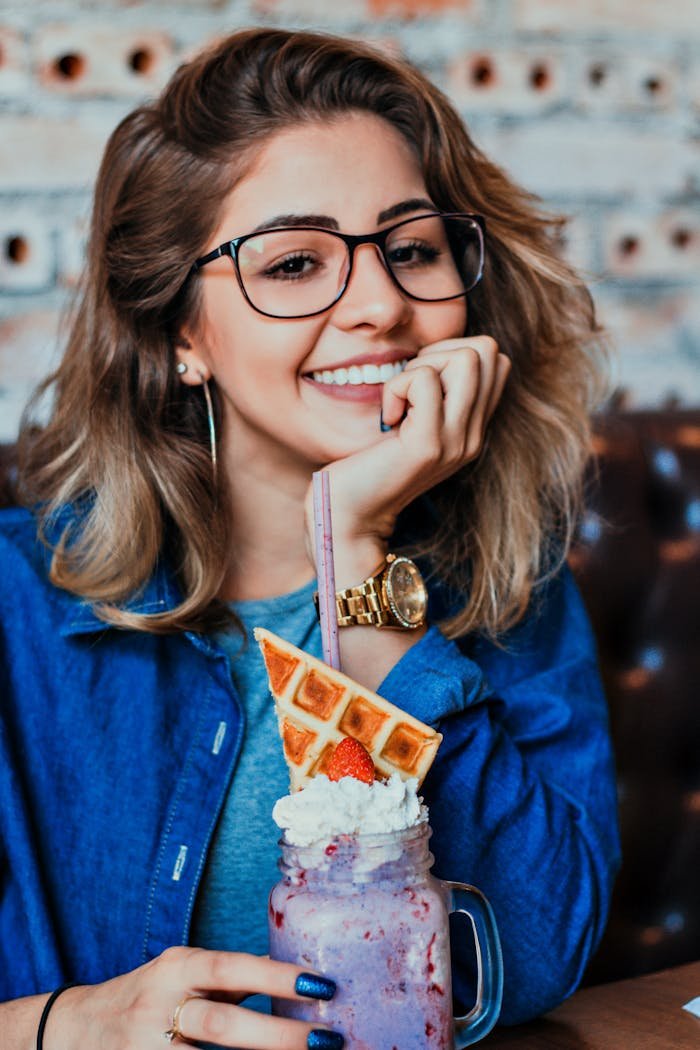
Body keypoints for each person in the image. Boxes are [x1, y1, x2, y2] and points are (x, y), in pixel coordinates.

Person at [0, 25, 620, 1050]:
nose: (380, 305)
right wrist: (71, 1025)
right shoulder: (21, 605)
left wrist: (361, 554)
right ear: (179, 334)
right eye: (293, 263)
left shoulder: (507, 577)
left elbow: (537, 958)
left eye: (412, 250)